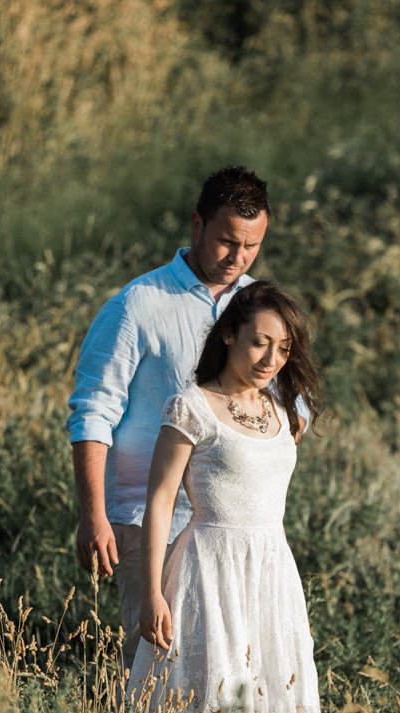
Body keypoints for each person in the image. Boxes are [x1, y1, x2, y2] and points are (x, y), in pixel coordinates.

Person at [67, 166, 271, 669]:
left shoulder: (258, 305)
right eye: (227, 241)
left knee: (230, 665)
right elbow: (94, 411)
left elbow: (292, 404)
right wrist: (94, 515)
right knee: (153, 661)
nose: (237, 258)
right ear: (197, 226)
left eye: (251, 246)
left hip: (231, 523)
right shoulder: (139, 304)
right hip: (146, 517)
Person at [126, 281, 323, 713]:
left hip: (271, 572)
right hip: (211, 567)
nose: (272, 358)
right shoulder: (191, 406)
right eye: (260, 342)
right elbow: (162, 499)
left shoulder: (283, 411)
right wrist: (151, 593)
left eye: (284, 349)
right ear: (230, 335)